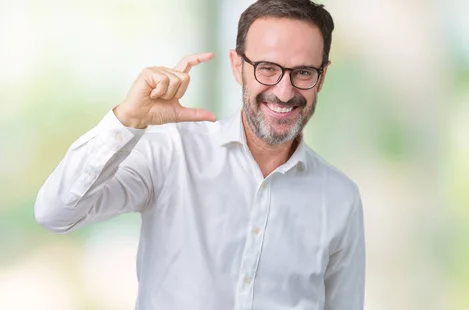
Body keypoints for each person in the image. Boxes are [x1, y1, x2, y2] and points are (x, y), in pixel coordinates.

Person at [34, 0, 365, 309]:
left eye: (303, 72)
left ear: (322, 76)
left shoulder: (340, 197)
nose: (284, 91)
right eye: (267, 68)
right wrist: (128, 120)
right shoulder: (173, 153)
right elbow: (55, 213)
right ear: (238, 66)